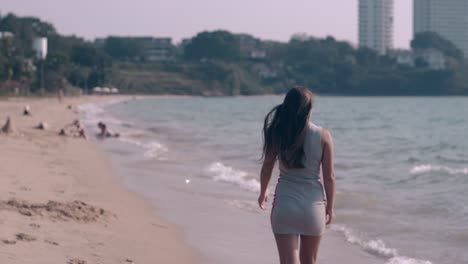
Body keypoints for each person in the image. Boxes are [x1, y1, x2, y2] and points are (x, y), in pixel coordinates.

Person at [258, 87, 336, 264]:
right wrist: (330, 207)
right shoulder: (323, 136)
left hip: (285, 206)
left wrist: (263, 192)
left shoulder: (277, 132)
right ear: (309, 109)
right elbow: (329, 177)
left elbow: (267, 167)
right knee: (309, 260)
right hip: (313, 208)